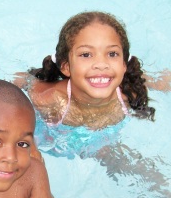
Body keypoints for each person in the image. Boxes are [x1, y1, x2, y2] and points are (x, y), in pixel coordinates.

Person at [14, 11, 157, 130]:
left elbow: (164, 81)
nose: (101, 64)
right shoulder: (50, 100)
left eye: (112, 54)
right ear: (66, 67)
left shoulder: (130, 93)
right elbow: (18, 85)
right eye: (86, 54)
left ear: (124, 65)